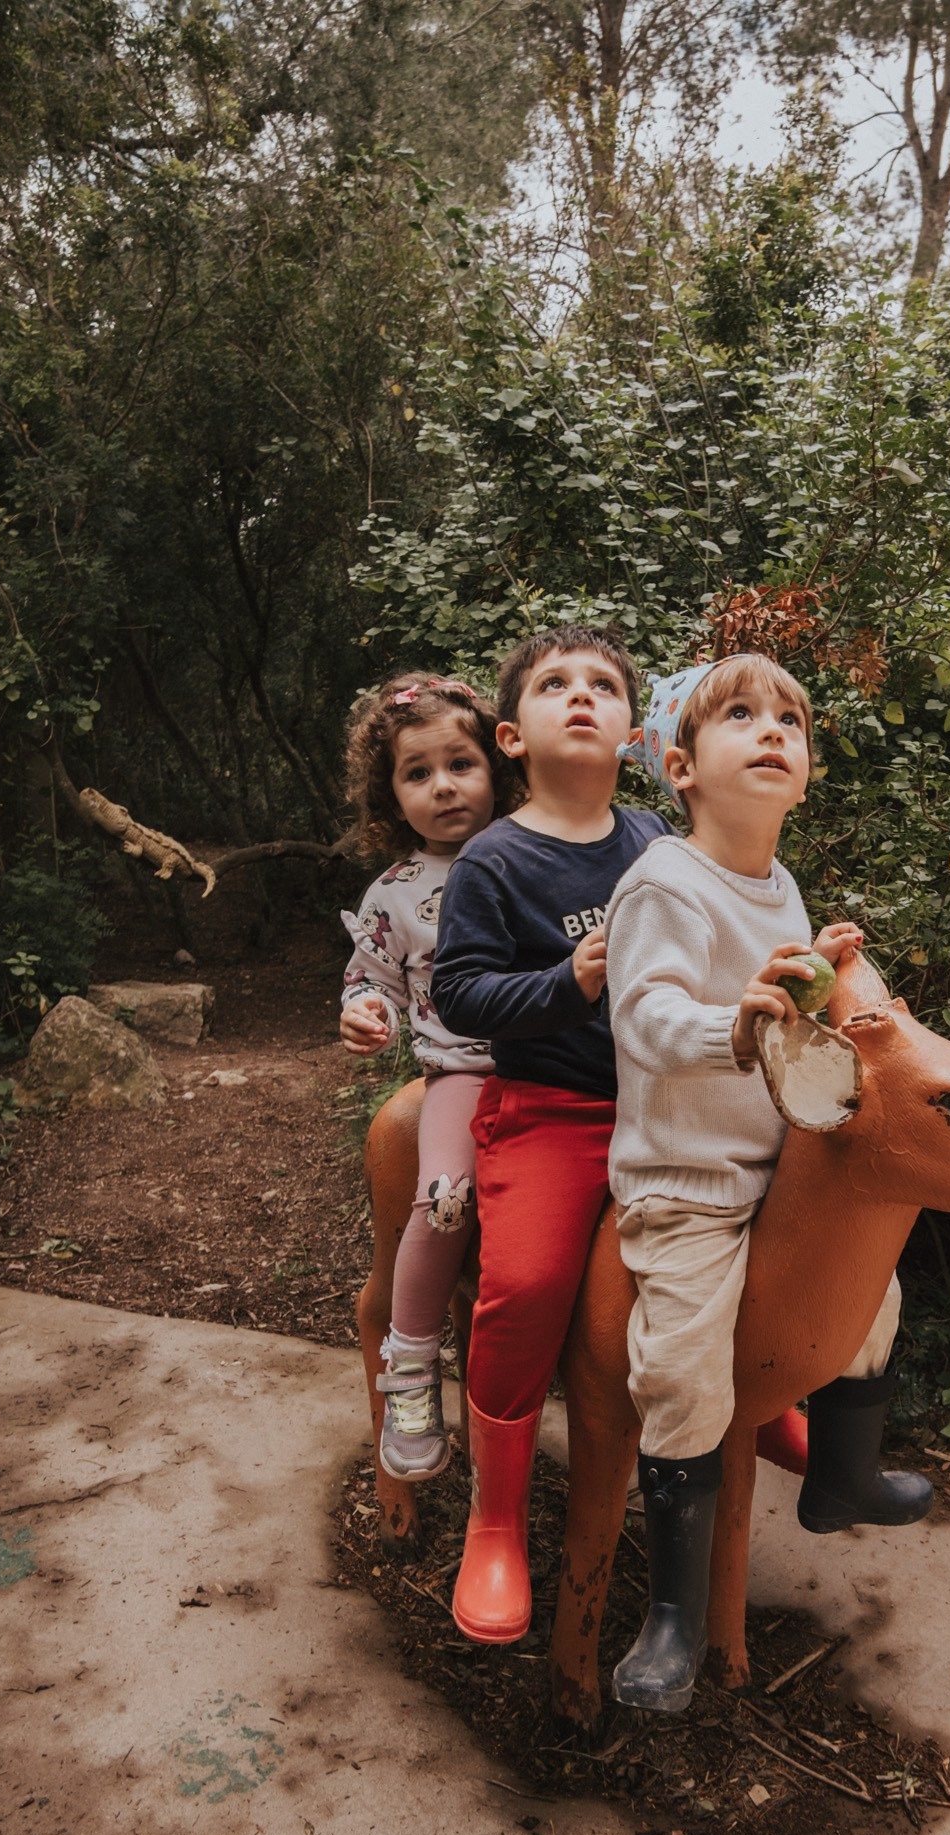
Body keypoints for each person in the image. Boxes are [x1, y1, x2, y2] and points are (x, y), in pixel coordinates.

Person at [604, 652, 933, 1712]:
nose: (772, 728)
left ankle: (842, 1474)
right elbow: (644, 1012)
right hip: (689, 1179)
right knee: (687, 1363)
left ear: (803, 773)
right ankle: (673, 1611)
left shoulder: (778, 882)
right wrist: (732, 1023)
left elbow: (790, 1002)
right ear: (680, 765)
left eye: (789, 717)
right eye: (739, 714)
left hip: (775, 1163)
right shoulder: (664, 879)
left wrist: (819, 970)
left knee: (870, 1291)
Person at [429, 626, 670, 1644]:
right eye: (556, 684)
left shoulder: (658, 838)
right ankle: (494, 1524)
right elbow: (460, 990)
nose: (582, 695)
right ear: (511, 734)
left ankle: (773, 1396)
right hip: (552, 1112)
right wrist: (569, 982)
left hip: (670, 1107)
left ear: (634, 729)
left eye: (604, 684)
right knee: (525, 1286)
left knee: (778, 1211)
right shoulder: (495, 857)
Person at [340, 672, 508, 1483]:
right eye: (417, 772)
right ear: (390, 793)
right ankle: (411, 1374)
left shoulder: (536, 849)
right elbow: (368, 975)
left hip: (575, 1074)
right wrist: (366, 1011)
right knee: (443, 1202)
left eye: (460, 764)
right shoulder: (397, 894)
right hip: (466, 1076)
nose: (443, 786)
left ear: (495, 766)